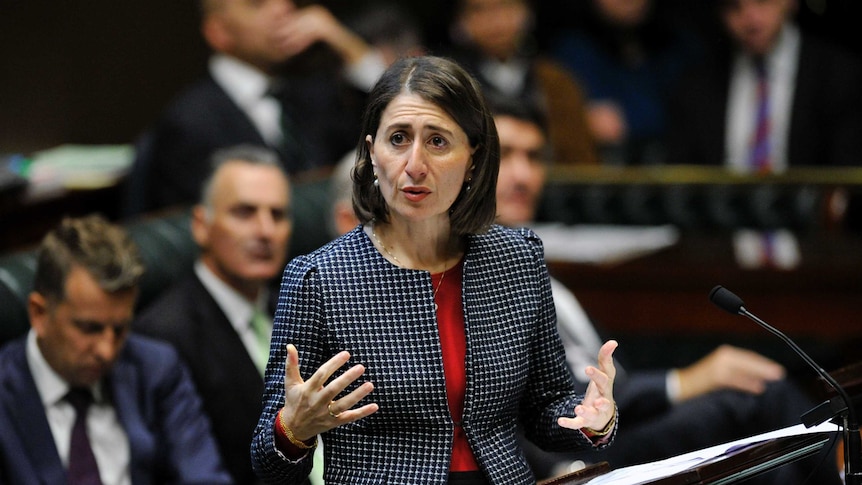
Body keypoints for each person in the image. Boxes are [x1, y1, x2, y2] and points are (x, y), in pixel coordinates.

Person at [250, 55, 618, 484]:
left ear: (473, 159)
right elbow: (267, 461)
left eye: (438, 142)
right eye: (398, 138)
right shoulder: (319, 279)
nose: (415, 164)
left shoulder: (517, 259)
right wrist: (293, 431)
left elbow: (544, 409)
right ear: (372, 154)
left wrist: (591, 418)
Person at [489, 97, 841, 483]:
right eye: (506, 155)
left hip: (615, 422)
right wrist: (684, 381)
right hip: (575, 455)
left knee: (777, 468)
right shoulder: (476, 274)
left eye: (534, 157)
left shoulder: (534, 264)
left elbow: (605, 372)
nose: (522, 175)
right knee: (762, 395)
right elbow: (552, 401)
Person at [0, 215, 231, 484]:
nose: (107, 351)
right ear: (39, 313)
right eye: (89, 328)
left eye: (120, 330)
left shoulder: (156, 369)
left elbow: (204, 476)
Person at [126, 0, 377, 216]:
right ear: (219, 32)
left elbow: (390, 127)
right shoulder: (189, 123)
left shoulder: (315, 94)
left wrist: (348, 45)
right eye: (258, 4)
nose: (283, 9)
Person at [134, 145, 292, 484]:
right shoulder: (163, 338)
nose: (265, 231)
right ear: (201, 225)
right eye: (245, 213)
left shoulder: (297, 308)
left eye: (277, 215)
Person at [666, 0, 862, 170]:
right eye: (735, 7)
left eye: (762, 1)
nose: (751, 20)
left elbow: (845, 170)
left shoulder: (837, 73)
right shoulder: (698, 83)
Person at [446, 0, 600, 166]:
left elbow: (580, 161)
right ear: (462, 21)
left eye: (506, 7)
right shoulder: (451, 84)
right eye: (479, 10)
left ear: (527, 14)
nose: (496, 20)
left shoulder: (555, 81)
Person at [551, 0, 703, 165]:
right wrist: (578, 122)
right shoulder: (570, 53)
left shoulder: (682, 50)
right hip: (600, 175)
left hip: (673, 173)